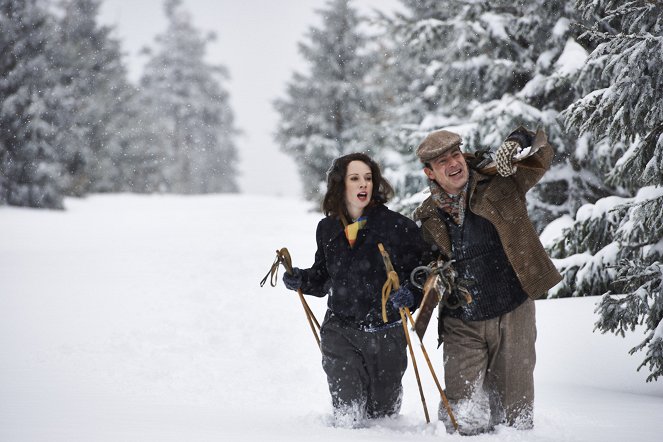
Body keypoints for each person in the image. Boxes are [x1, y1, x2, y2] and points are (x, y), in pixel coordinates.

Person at [412, 126, 562, 434]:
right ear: (430, 173)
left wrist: (518, 141)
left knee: (514, 418)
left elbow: (543, 154)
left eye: (456, 154)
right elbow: (425, 266)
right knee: (460, 418)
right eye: (442, 162)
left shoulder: (500, 181)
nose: (453, 163)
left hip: (514, 309)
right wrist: (426, 278)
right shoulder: (427, 216)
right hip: (462, 321)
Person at [282, 152, 429, 427]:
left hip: (386, 333)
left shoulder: (396, 226)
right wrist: (301, 279)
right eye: (355, 178)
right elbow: (324, 275)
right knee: (347, 416)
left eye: (368, 178)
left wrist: (412, 293)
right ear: (341, 185)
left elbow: (423, 270)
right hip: (340, 330)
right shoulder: (327, 228)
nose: (363, 184)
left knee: (383, 419)